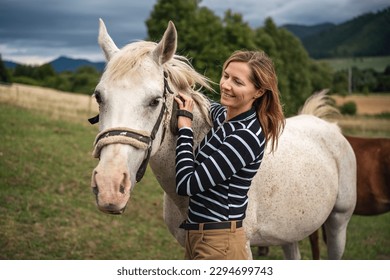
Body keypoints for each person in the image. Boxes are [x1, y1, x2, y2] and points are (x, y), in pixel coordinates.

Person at [174, 50, 285, 260]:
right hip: (199, 235)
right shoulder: (226, 117)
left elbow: (186, 185)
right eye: (225, 75)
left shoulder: (246, 136)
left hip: (219, 242)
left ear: (259, 92)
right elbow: (208, 106)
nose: (225, 85)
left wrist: (185, 129)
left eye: (238, 82)